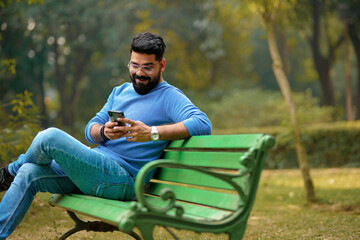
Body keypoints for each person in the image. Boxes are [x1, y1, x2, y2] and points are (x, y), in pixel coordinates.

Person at [0, 32, 212, 239]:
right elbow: (91, 129)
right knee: (29, 171)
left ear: (161, 65)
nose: (139, 73)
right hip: (95, 171)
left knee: (50, 137)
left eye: (147, 67)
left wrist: (152, 133)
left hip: (122, 180)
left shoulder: (169, 97)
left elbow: (203, 124)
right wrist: (103, 132)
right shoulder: (119, 91)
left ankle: (7, 173)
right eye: (134, 65)